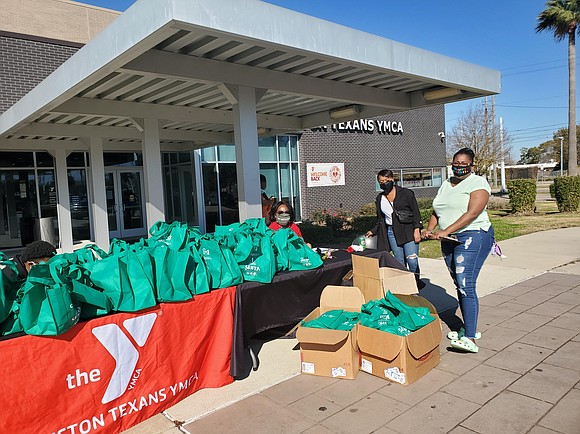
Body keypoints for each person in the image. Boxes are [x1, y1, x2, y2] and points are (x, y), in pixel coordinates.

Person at [422, 148, 494, 354]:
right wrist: (430, 229)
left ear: (472, 165)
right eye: (456, 163)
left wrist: (446, 230)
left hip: (473, 235)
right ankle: (466, 328)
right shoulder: (446, 184)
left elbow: (472, 213)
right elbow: (437, 209)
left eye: (464, 164)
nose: (459, 167)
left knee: (466, 284)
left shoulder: (478, 182)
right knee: (459, 283)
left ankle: (470, 337)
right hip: (449, 239)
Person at [366, 169, 423, 289]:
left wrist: (417, 229)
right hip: (392, 233)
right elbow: (381, 219)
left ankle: (415, 282)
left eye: (387, 180)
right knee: (399, 263)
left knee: (412, 261)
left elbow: (416, 212)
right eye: (381, 181)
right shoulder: (380, 198)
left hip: (408, 231)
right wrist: (373, 231)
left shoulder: (406, 193)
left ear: (392, 179)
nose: (384, 183)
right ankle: (405, 287)